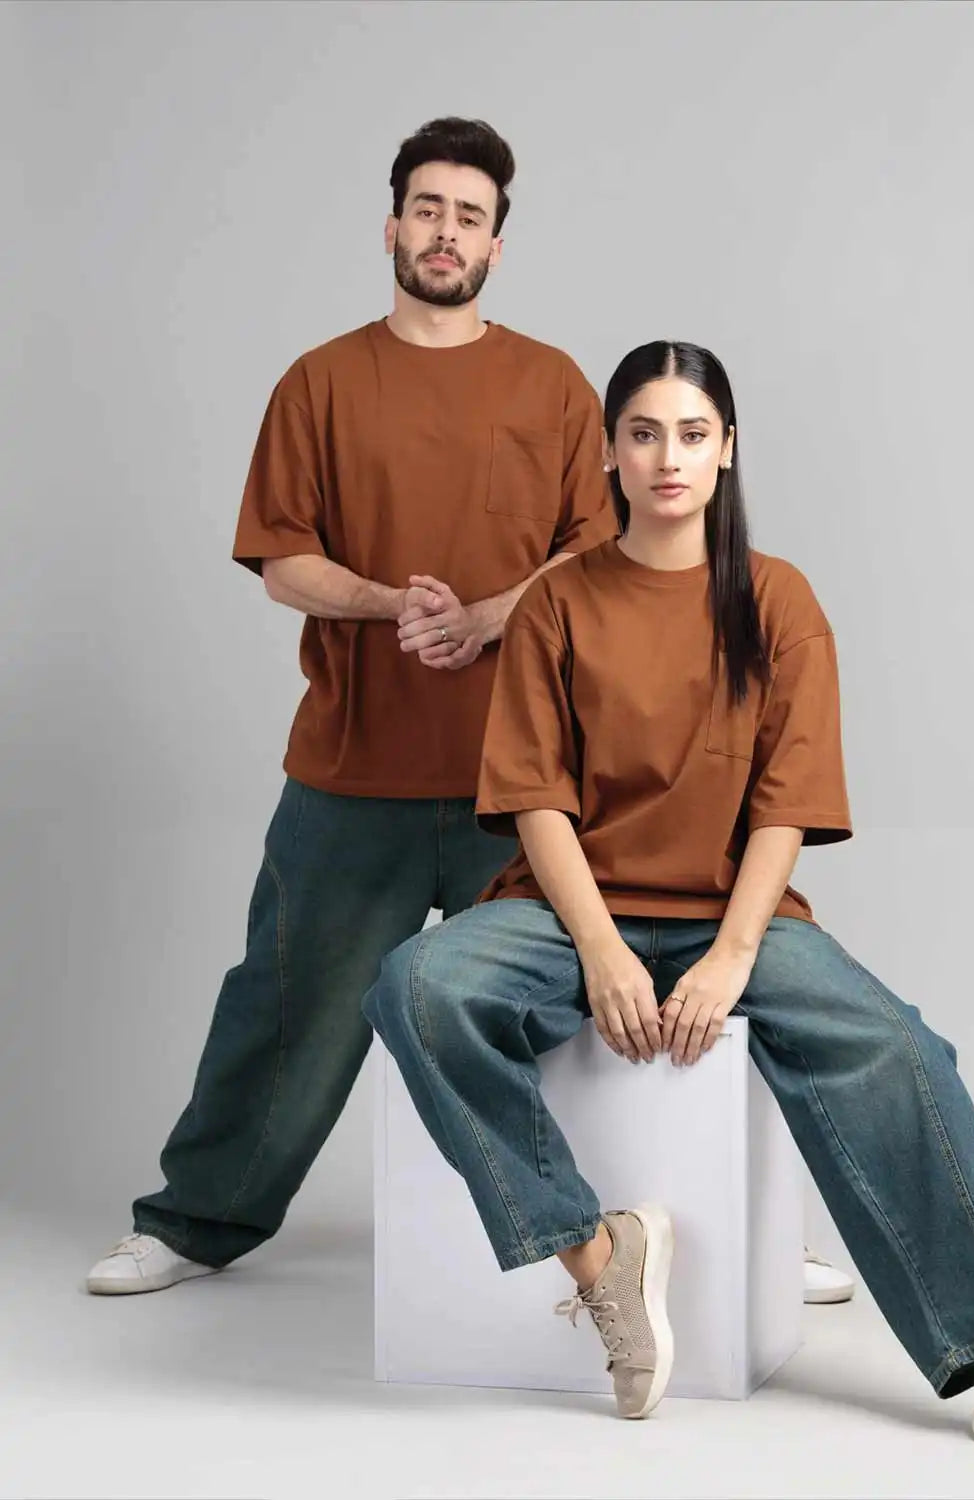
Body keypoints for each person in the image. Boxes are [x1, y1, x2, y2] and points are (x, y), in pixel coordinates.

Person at [362, 340, 974, 1439]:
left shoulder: (778, 599)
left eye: (692, 435)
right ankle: (596, 1254)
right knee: (416, 987)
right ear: (610, 454)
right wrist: (602, 949)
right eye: (644, 434)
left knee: (896, 1047)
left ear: (727, 450)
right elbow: (536, 799)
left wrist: (733, 956)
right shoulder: (560, 601)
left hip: (733, 914)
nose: (668, 458)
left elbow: (786, 804)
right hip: (564, 913)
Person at [84, 116, 618, 1295]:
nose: (445, 232)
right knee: (287, 1009)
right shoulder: (319, 382)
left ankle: (663, 1223)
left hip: (521, 776)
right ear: (390, 227)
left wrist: (489, 617)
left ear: (496, 245)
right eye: (427, 209)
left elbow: (596, 552)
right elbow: (282, 560)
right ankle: (195, 1222)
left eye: (469, 216)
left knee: (579, 1010)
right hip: (352, 766)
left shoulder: (552, 385)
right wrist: (392, 604)